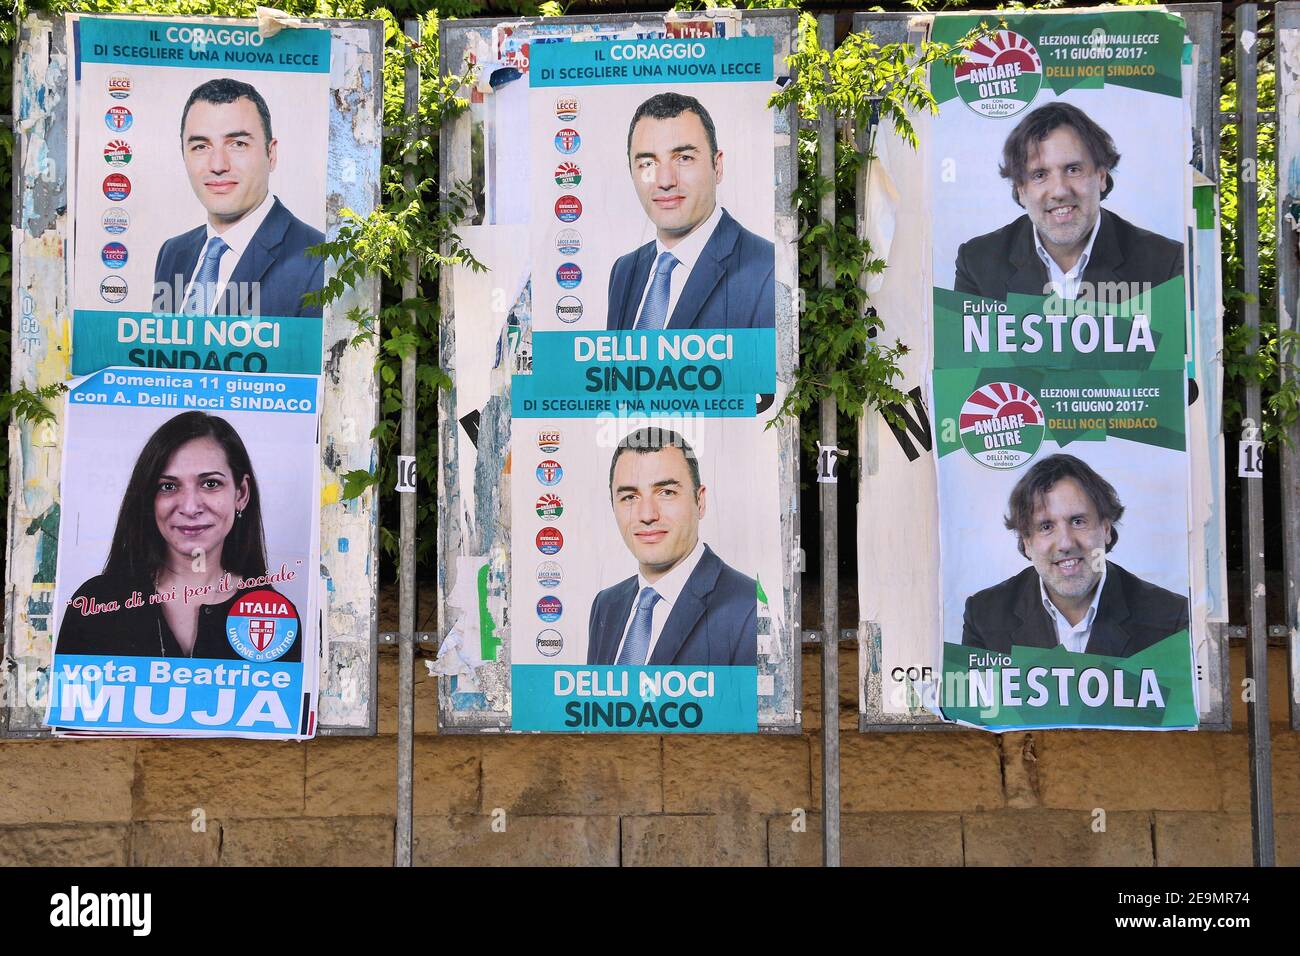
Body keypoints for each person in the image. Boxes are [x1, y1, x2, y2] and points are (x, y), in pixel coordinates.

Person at [56, 411, 302, 661]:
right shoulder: (95, 604)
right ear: (149, 499)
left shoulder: (275, 616)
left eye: (210, 484)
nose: (189, 507)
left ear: (241, 494)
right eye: (168, 486)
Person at [961, 453, 1189, 658]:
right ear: (1027, 542)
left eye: (1078, 521)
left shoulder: (1171, 618)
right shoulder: (983, 616)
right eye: (1046, 526)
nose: (1066, 543)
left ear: (1106, 529)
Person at [953, 101, 1184, 302]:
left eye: (1073, 169)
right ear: (1020, 190)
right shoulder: (976, 264)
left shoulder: (1166, 264)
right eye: (1040, 175)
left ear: (1101, 176)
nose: (1060, 191)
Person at [152, 78, 325, 319]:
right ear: (183, 155)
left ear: (271, 154)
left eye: (238, 144)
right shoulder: (173, 253)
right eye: (201, 146)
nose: (218, 165)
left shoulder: (318, 262)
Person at [586, 427, 757, 666]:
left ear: (700, 501)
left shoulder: (749, 606)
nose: (647, 514)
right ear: (613, 506)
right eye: (630, 497)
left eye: (666, 492)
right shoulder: (605, 605)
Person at [606, 92, 774, 331]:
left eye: (684, 158)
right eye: (647, 163)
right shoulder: (623, 271)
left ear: (717, 166)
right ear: (631, 171)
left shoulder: (766, 268)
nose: (665, 180)